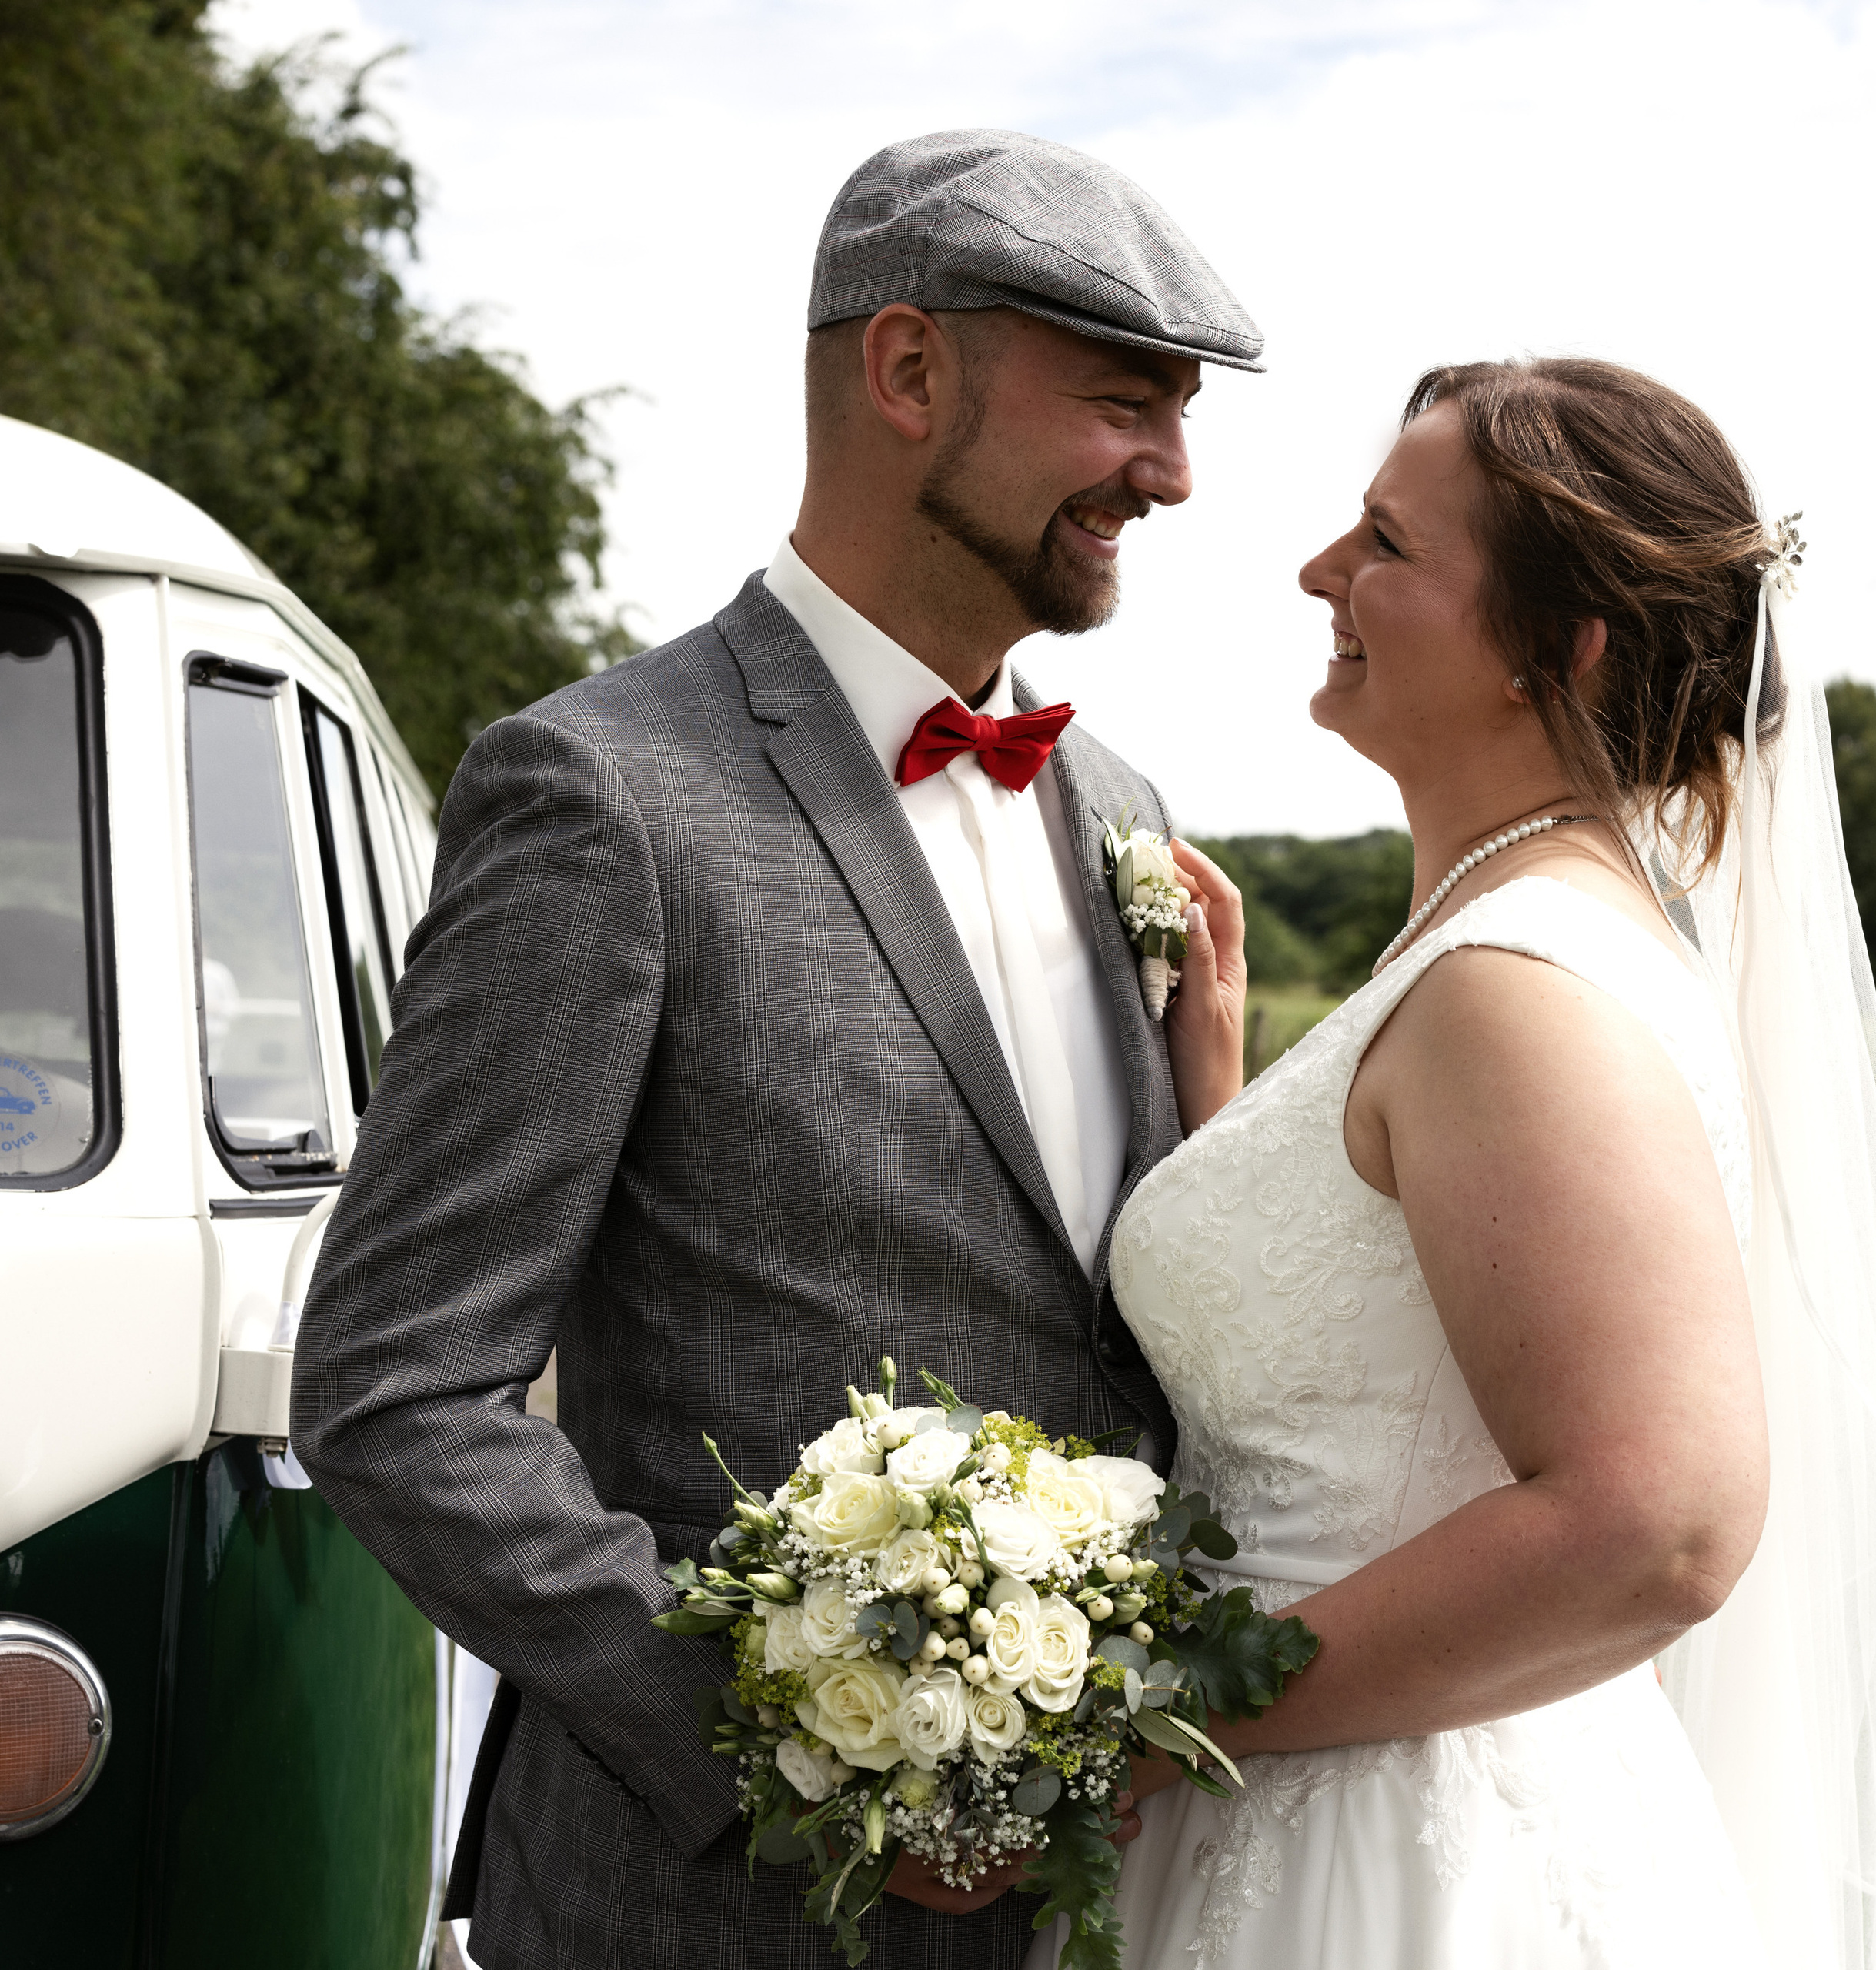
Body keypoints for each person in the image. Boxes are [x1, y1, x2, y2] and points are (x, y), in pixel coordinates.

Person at [289, 130, 1255, 1970]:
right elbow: (397, 1385)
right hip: (706, 1903)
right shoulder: (602, 793)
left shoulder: (1124, 810)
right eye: (1124, 404)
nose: (1173, 473)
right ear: (906, 370)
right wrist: (786, 1749)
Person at [1060, 358, 1876, 1969]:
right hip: (1324, 1790)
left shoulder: (1514, 985)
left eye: (1385, 544)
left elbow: (1657, 1519)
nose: (1318, 571)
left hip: (1392, 1853)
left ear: (1556, 649)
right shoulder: (1494, 937)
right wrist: (1223, 1129)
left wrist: (1169, 1715)